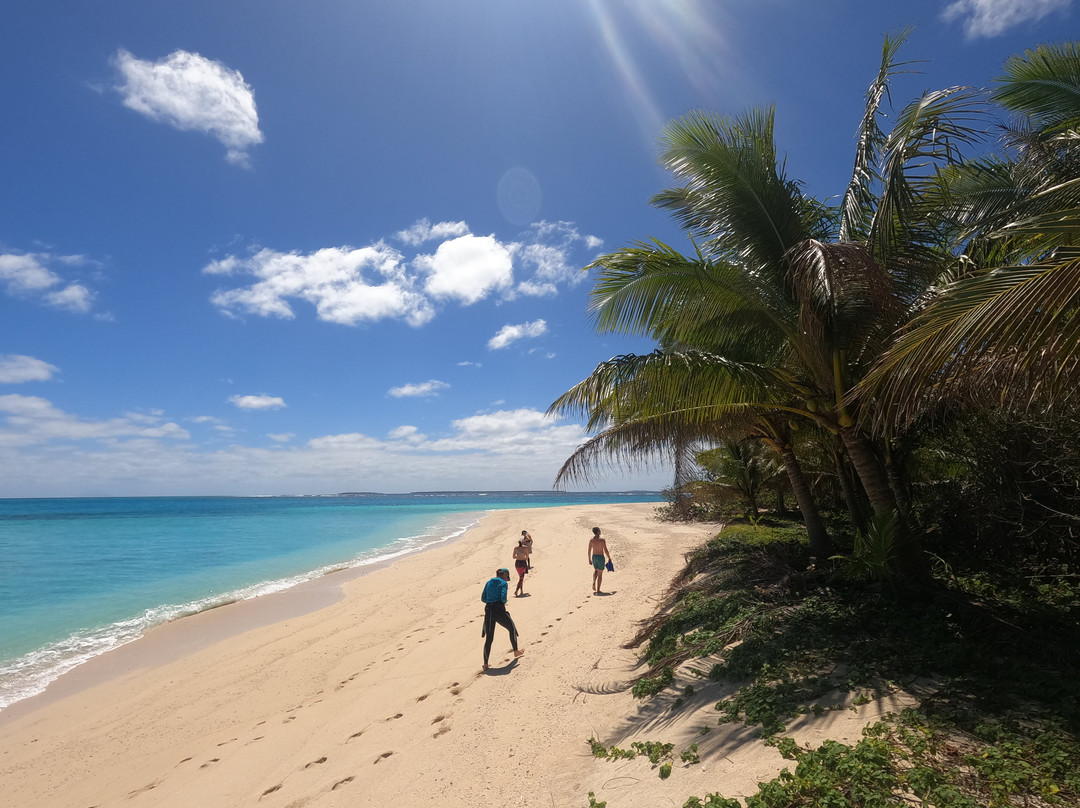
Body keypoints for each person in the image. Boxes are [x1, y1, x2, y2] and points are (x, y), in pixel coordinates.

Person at [480, 568, 525, 671]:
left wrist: (491, 600)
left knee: (489, 638)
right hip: (498, 610)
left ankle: (485, 664)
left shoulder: (488, 582)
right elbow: (503, 598)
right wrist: (500, 602)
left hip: (488, 611)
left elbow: (483, 598)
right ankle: (516, 651)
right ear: (504, 575)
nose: (507, 578)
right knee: (512, 628)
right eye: (507, 576)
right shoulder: (503, 583)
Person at [588, 526, 613, 594]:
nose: (600, 531)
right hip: (600, 557)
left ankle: (593, 582)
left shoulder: (591, 540)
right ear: (598, 532)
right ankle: (598, 590)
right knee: (600, 574)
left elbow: (589, 550)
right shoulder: (602, 540)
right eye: (600, 530)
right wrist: (609, 558)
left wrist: (589, 559)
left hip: (594, 557)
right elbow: (605, 550)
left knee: (596, 570)